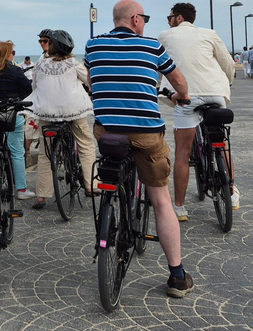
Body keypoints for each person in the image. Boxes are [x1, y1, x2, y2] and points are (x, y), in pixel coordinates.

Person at [85, 0, 195, 298]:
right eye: (143, 17)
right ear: (135, 19)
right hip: (145, 134)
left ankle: (111, 207)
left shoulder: (92, 45)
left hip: (106, 133)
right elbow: (178, 80)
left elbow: (93, 84)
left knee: (112, 166)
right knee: (160, 198)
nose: (145, 22)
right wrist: (181, 96)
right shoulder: (151, 47)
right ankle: (176, 275)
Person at [158, 2, 238, 218]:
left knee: (183, 153)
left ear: (180, 18)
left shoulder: (164, 36)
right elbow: (227, 64)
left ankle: (179, 207)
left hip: (185, 97)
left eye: (170, 16)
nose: (168, 20)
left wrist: (158, 90)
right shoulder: (210, 34)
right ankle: (231, 192)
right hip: (214, 93)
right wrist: (226, 84)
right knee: (221, 146)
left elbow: (157, 67)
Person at [24, 29, 97, 209]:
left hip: (47, 113)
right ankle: (91, 185)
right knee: (86, 144)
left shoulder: (39, 65)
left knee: (45, 152)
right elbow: (90, 82)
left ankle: (41, 195)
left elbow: (35, 87)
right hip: (73, 112)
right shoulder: (73, 63)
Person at [0, 40, 34, 200]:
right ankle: (20, 189)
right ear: (7, 54)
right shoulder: (14, 71)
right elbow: (28, 87)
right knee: (17, 152)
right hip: (13, 114)